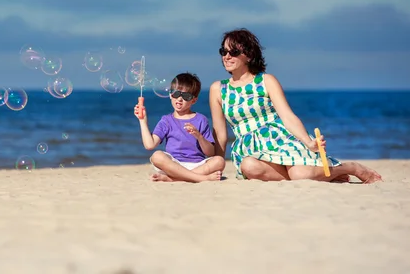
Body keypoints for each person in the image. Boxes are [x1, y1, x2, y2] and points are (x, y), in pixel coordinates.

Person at [208, 28, 382, 183]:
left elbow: (287, 116)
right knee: (249, 166)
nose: (227, 56)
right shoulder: (218, 89)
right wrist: (216, 166)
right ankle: (321, 175)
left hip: (280, 140)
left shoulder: (266, 81)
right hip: (249, 149)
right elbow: (220, 135)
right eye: (223, 51)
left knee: (299, 174)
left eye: (234, 51)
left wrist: (309, 142)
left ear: (249, 55)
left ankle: (350, 168)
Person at [135, 72, 225, 182]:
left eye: (186, 96)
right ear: (170, 94)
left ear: (194, 100)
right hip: (174, 164)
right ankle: (198, 178)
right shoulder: (166, 121)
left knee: (219, 161)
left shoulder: (201, 119)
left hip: (197, 164)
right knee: (157, 156)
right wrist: (143, 121)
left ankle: (173, 179)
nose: (179, 99)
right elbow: (150, 145)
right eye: (176, 94)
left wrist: (199, 136)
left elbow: (210, 152)